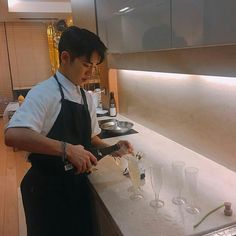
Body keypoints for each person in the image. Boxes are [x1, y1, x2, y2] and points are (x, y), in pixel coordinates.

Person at [4, 26, 133, 236]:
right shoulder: (43, 92)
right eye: (85, 65)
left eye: (93, 66)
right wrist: (67, 149)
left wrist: (113, 148)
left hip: (76, 187)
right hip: (46, 190)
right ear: (65, 58)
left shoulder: (85, 97)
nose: (91, 73)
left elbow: (90, 139)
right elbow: (12, 135)